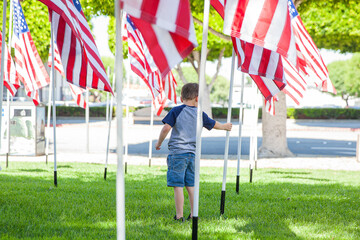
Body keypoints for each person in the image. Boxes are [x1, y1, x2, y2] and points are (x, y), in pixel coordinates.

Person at [155, 83, 232, 222]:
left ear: (181, 97)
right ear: (197, 98)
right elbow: (214, 124)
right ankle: (193, 213)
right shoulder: (200, 114)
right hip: (192, 155)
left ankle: (179, 216)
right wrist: (225, 126)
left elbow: (166, 128)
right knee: (191, 185)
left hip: (178, 154)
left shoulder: (176, 111)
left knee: (178, 185)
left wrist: (159, 142)